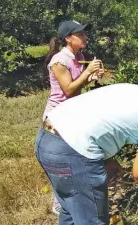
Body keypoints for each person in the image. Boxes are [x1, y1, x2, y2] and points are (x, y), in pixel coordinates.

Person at [35, 83, 138, 225]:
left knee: (71, 211)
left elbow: (98, 121)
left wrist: (104, 161)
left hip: (47, 138)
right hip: (72, 150)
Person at [43, 20, 104, 214]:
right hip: (57, 117)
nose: (86, 37)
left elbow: (77, 84)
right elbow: (68, 89)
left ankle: (71, 196)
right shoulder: (59, 61)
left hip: (71, 113)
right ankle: (59, 202)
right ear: (69, 38)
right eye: (81, 34)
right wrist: (87, 71)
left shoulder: (77, 57)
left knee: (73, 157)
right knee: (63, 160)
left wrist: (91, 77)